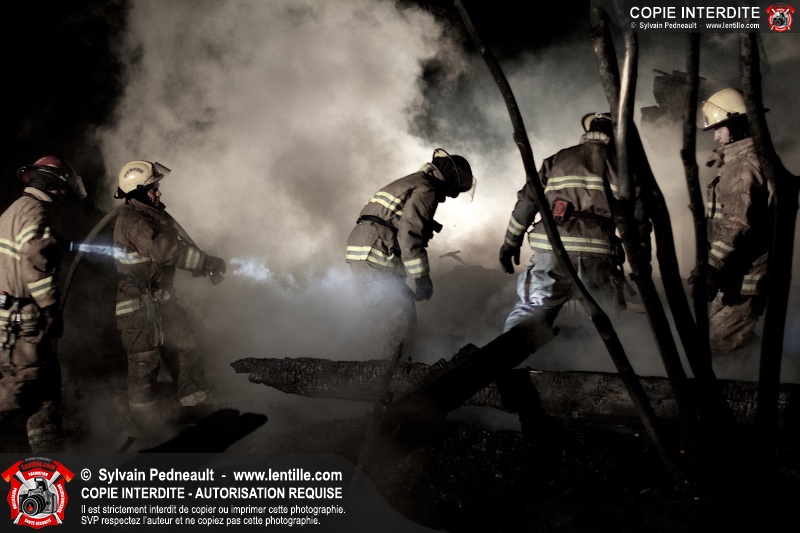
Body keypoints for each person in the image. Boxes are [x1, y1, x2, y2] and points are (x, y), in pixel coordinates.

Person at [499, 113, 650, 343]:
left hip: (551, 250)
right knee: (603, 320)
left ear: (588, 132)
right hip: (597, 254)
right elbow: (637, 219)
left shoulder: (557, 160)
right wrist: (642, 260)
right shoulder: (623, 168)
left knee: (533, 310)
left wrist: (511, 242)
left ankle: (505, 356)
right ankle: (597, 361)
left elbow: (528, 201)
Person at [112, 160, 226, 412]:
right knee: (144, 362)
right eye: (153, 189)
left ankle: (197, 407)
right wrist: (204, 261)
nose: (159, 193)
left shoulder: (151, 216)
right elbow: (164, 252)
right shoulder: (133, 221)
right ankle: (145, 423)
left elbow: (175, 248)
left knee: (187, 346)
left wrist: (199, 264)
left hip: (161, 296)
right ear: (139, 192)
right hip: (137, 301)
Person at [346, 148, 475, 362]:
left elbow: (395, 220)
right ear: (452, 179)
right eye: (457, 189)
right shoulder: (427, 188)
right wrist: (422, 277)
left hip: (367, 248)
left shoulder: (415, 181)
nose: (451, 196)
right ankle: (385, 377)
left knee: (391, 316)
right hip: (376, 250)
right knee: (400, 319)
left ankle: (381, 368)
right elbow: (410, 235)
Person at [0, 155, 86, 452]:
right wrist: (50, 308)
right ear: (52, 185)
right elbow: (34, 262)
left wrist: (60, 244)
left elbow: (23, 250)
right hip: (22, 321)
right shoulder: (36, 212)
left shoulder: (14, 211)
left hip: (11, 315)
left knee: (47, 388)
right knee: (19, 391)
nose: (62, 196)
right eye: (62, 189)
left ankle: (49, 454)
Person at [693, 88, 772, 357]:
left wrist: (712, 264)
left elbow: (737, 222)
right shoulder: (739, 161)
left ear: (737, 124)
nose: (716, 136)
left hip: (744, 273)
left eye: (720, 128)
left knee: (723, 343)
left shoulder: (743, 165)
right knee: (733, 338)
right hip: (735, 270)